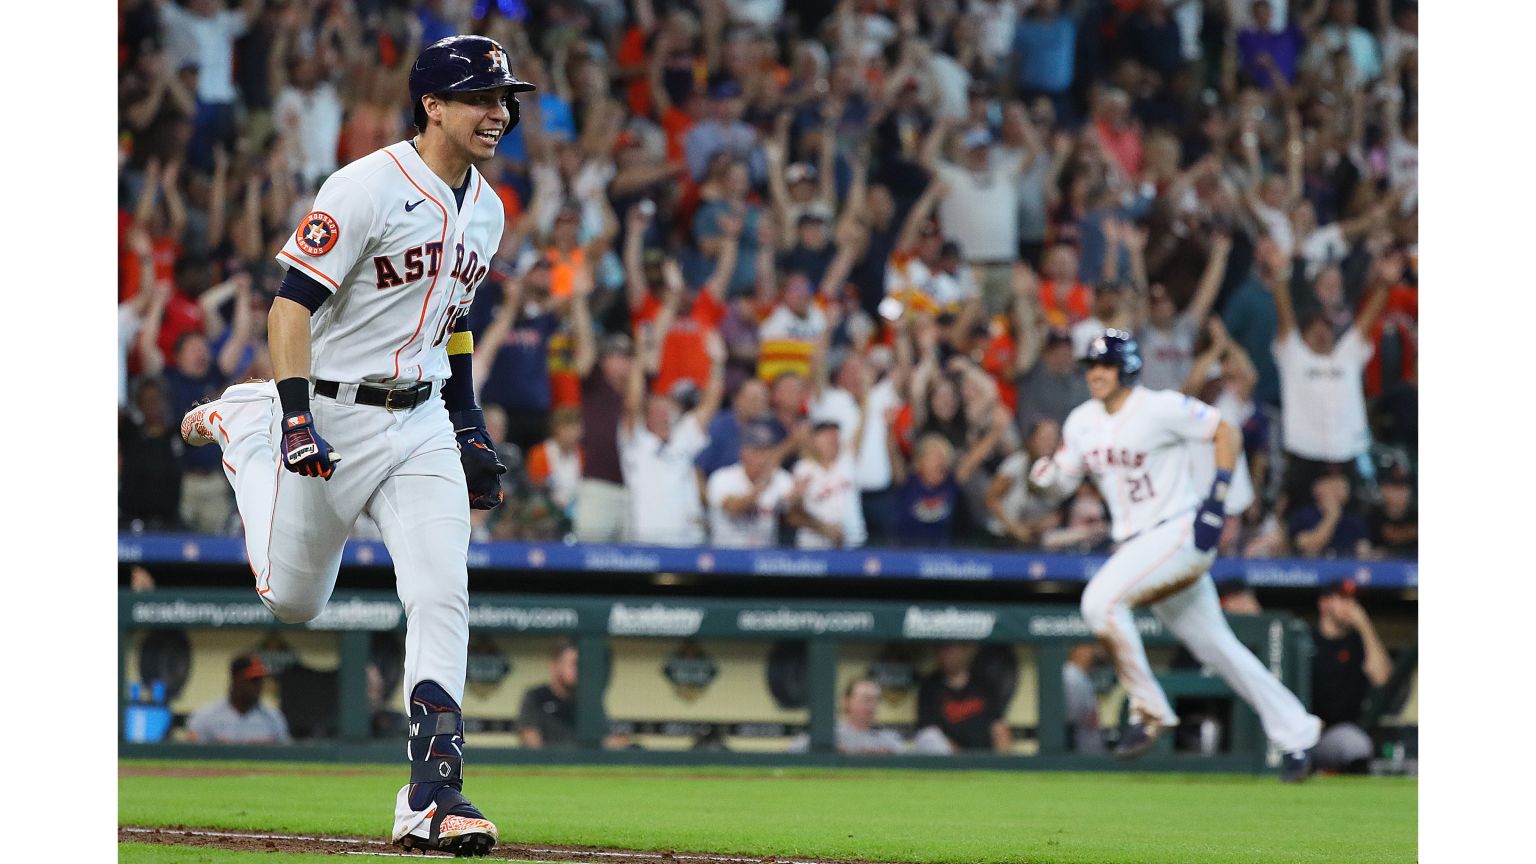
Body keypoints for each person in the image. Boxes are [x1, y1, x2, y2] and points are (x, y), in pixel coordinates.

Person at [177, 36, 534, 855]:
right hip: (327, 408)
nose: (498, 113)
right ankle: (248, 422)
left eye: (504, 98)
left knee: (441, 589)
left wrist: (468, 422)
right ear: (432, 106)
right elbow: (289, 308)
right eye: (481, 97)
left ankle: (432, 793)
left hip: (417, 424)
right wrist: (295, 416)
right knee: (293, 601)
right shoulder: (367, 184)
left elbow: (455, 318)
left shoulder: (489, 207)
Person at [1026, 330, 1322, 781]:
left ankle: (1147, 711)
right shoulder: (1081, 421)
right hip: (1140, 546)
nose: (1096, 375)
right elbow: (1063, 481)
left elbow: (1225, 431)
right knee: (1219, 648)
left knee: (1099, 602)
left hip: (1177, 532)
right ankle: (1299, 735)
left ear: (1126, 369)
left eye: (1105, 366)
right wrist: (1045, 479)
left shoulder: (1158, 406)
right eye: (1092, 367)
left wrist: (1217, 500)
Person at [619, 315, 724, 545]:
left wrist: (717, 363)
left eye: (667, 408)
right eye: (656, 409)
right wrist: (639, 355)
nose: (663, 413)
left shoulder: (683, 436)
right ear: (647, 416)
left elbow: (710, 403)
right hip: (646, 541)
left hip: (687, 541)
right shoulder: (635, 441)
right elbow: (632, 402)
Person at [1310, 579, 1393, 774]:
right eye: (1343, 599)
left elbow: (1381, 678)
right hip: (1302, 732)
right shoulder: (1304, 637)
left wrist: (1364, 625)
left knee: (1356, 745)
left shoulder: (1358, 642)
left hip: (1336, 733)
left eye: (1353, 601)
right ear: (1324, 604)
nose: (1351, 606)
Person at [706, 422, 798, 548]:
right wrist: (761, 487)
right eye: (758, 451)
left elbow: (792, 512)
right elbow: (732, 508)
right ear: (743, 453)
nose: (764, 458)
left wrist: (797, 500)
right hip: (726, 556)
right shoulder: (722, 478)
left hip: (764, 558)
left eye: (768, 451)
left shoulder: (780, 478)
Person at [915, 642, 1012, 753]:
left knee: (1001, 731)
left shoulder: (983, 682)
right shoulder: (930, 686)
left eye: (952, 650)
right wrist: (963, 760)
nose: (947, 655)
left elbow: (998, 725)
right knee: (929, 737)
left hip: (984, 755)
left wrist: (1000, 762)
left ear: (965, 651)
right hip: (949, 759)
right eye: (943, 650)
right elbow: (930, 730)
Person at [185, 654, 291, 745]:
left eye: (260, 680)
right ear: (236, 678)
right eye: (253, 680)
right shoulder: (204, 718)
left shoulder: (274, 719)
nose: (258, 685)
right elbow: (190, 758)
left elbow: (285, 758)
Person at [786, 678, 910, 755]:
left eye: (875, 700)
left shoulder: (887, 739)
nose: (872, 706)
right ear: (847, 701)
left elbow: (907, 760)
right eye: (866, 699)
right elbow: (793, 752)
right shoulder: (829, 734)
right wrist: (827, 750)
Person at [1062, 644, 1104, 754]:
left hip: (1088, 750)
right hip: (1077, 752)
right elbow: (1069, 719)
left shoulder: (1082, 676)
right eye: (1090, 646)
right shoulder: (1070, 675)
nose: (1095, 650)